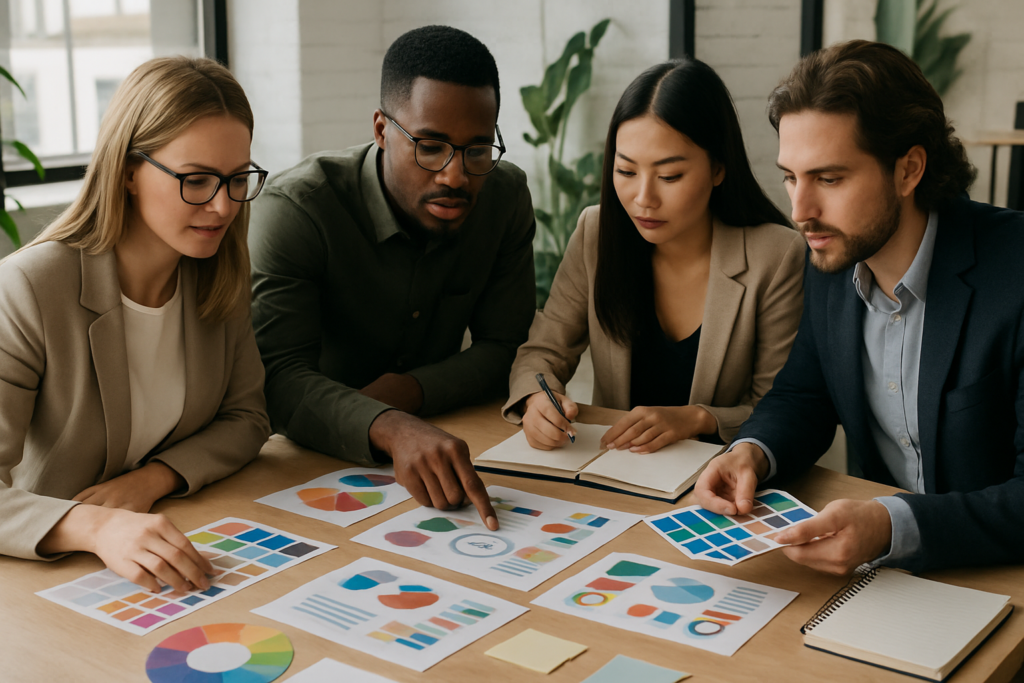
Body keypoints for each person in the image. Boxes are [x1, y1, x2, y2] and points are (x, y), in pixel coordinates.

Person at [695, 39, 1024, 574]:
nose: (801, 211)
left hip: (999, 580)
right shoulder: (832, 255)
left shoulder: (1014, 274)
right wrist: (751, 452)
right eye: (790, 177)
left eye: (829, 179)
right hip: (881, 582)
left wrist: (892, 525)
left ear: (909, 169)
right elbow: (804, 394)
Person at [0, 57, 271, 591]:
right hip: (49, 571)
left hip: (167, 545)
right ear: (127, 170)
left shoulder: (217, 273)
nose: (222, 207)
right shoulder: (28, 287)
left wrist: (153, 479)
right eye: (195, 180)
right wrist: (96, 525)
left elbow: (248, 418)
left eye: (237, 180)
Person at [249, 25, 535, 530]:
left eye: (477, 150)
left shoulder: (504, 195)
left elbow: (508, 347)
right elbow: (276, 377)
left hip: (449, 440)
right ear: (382, 130)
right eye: (430, 147)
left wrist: (410, 392)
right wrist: (389, 425)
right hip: (311, 466)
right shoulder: (298, 211)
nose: (455, 176)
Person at [503, 59, 805, 454]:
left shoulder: (776, 256)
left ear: (717, 168)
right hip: (614, 475)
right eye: (626, 172)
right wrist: (536, 400)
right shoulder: (596, 233)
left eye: (669, 176)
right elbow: (544, 352)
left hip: (718, 480)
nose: (643, 199)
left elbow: (781, 406)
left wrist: (699, 418)